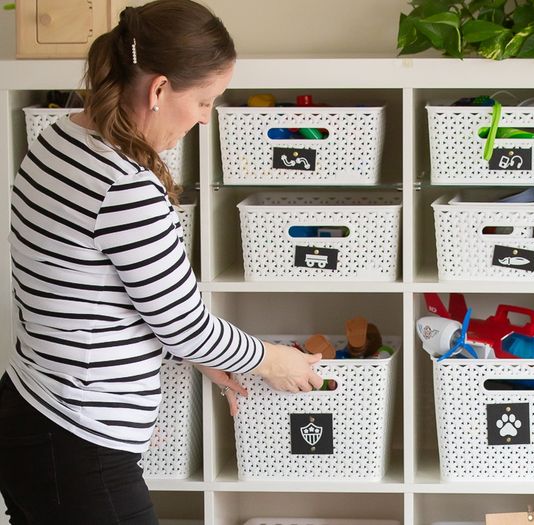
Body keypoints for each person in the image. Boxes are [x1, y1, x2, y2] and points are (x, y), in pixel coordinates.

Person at [0, 1, 324, 523]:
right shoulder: (125, 185)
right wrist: (270, 358)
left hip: (29, 409)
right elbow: (183, 324)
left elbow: (90, 294)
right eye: (203, 101)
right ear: (158, 90)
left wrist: (214, 357)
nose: (204, 118)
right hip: (79, 440)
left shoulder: (57, 140)